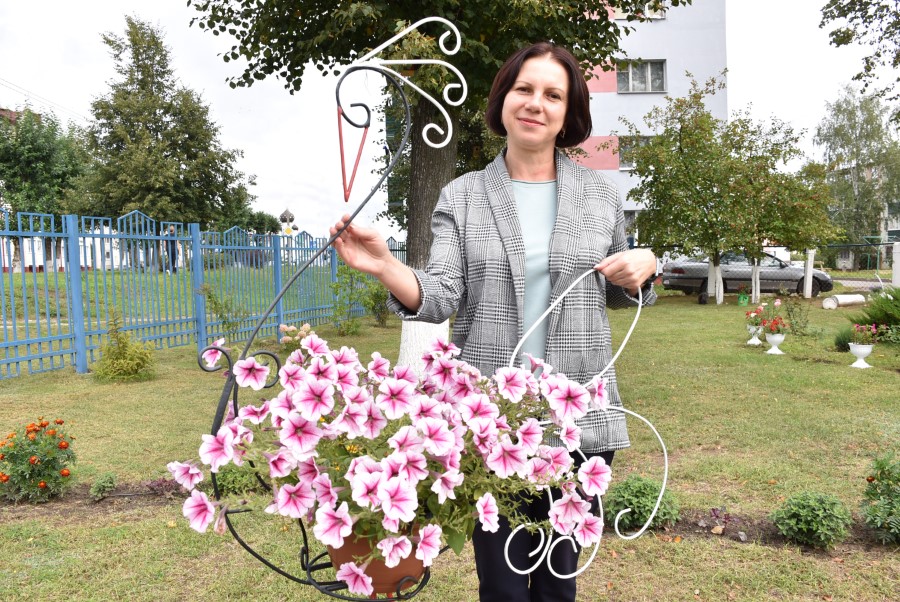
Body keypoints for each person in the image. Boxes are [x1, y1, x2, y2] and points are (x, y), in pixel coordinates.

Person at [330, 42, 657, 602]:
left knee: (557, 587)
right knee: (502, 589)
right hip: (489, 421)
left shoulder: (600, 196)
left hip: (578, 417)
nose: (535, 103)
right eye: (524, 89)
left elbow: (622, 291)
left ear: (569, 113)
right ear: (503, 99)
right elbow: (440, 295)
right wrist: (386, 266)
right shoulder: (462, 197)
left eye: (552, 95)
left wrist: (644, 267)